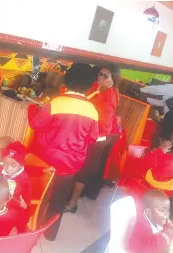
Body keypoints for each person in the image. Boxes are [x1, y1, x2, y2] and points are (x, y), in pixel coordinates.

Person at [27, 63, 98, 240]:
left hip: (47, 158)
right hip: (71, 163)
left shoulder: (56, 103)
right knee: (59, 199)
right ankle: (51, 234)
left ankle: (30, 229)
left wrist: (31, 110)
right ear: (90, 85)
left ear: (68, 80)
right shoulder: (92, 110)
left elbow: (36, 124)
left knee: (40, 193)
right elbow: (93, 137)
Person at [66, 64, 120, 212]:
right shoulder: (96, 88)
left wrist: (84, 132)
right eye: (100, 74)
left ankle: (73, 203)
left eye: (105, 76)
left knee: (84, 170)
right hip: (84, 135)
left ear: (113, 80)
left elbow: (104, 127)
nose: (100, 77)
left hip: (95, 140)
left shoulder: (109, 98)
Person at [107, 190, 173, 253]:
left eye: (168, 210)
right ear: (148, 211)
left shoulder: (152, 216)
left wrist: (167, 226)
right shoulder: (140, 228)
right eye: (162, 210)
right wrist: (168, 235)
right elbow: (148, 248)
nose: (167, 214)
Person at [0, 141, 32, 233]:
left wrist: (24, 206)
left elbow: (26, 204)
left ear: (21, 166)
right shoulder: (1, 170)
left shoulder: (24, 181)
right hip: (0, 204)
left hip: (15, 210)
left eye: (13, 165)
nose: (8, 168)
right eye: (5, 164)